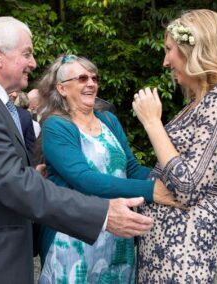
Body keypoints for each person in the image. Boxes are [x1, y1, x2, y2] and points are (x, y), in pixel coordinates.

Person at [0, 16, 153, 284]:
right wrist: (102, 214)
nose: (33, 63)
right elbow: (15, 185)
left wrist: (32, 173)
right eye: (27, 54)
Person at [132, 9, 217, 282]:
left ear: (196, 49)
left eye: (169, 50)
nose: (165, 61)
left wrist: (152, 123)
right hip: (164, 243)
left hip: (184, 246)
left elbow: (188, 186)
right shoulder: (201, 101)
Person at [37, 54, 176, 283]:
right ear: (62, 88)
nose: (91, 83)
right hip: (74, 238)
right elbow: (84, 178)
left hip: (116, 233)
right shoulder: (57, 125)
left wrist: (170, 180)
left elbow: (130, 168)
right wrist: (153, 191)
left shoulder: (109, 121)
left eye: (94, 77)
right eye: (82, 78)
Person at [9, 91, 36, 158]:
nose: (14, 95)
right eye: (10, 92)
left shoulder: (25, 115)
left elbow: (31, 147)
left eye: (15, 92)